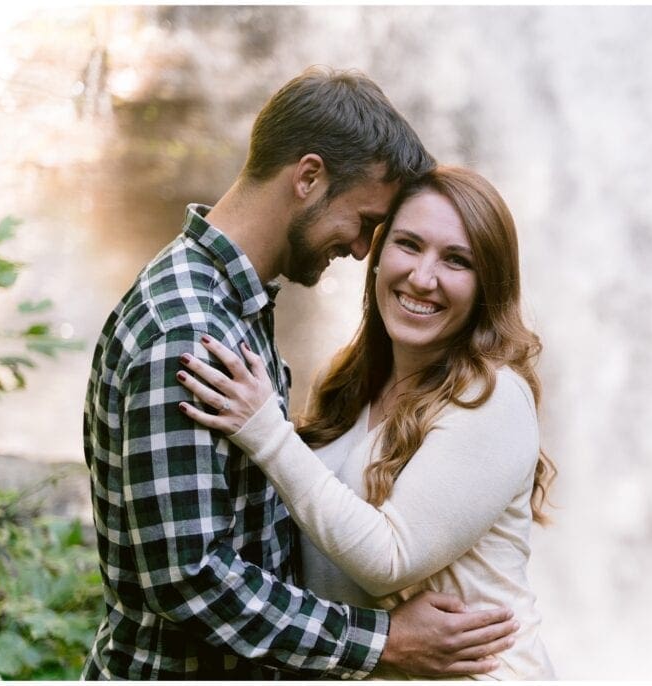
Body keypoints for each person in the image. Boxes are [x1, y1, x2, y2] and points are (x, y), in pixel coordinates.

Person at [82, 67, 518, 680]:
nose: (365, 251)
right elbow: (189, 579)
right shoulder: (186, 329)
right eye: (369, 222)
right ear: (309, 177)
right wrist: (381, 642)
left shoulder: (234, 306)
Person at [175, 166, 558, 679]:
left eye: (456, 260)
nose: (423, 278)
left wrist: (267, 431)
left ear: (488, 284)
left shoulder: (492, 396)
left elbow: (389, 557)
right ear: (377, 257)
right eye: (408, 244)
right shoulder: (349, 382)